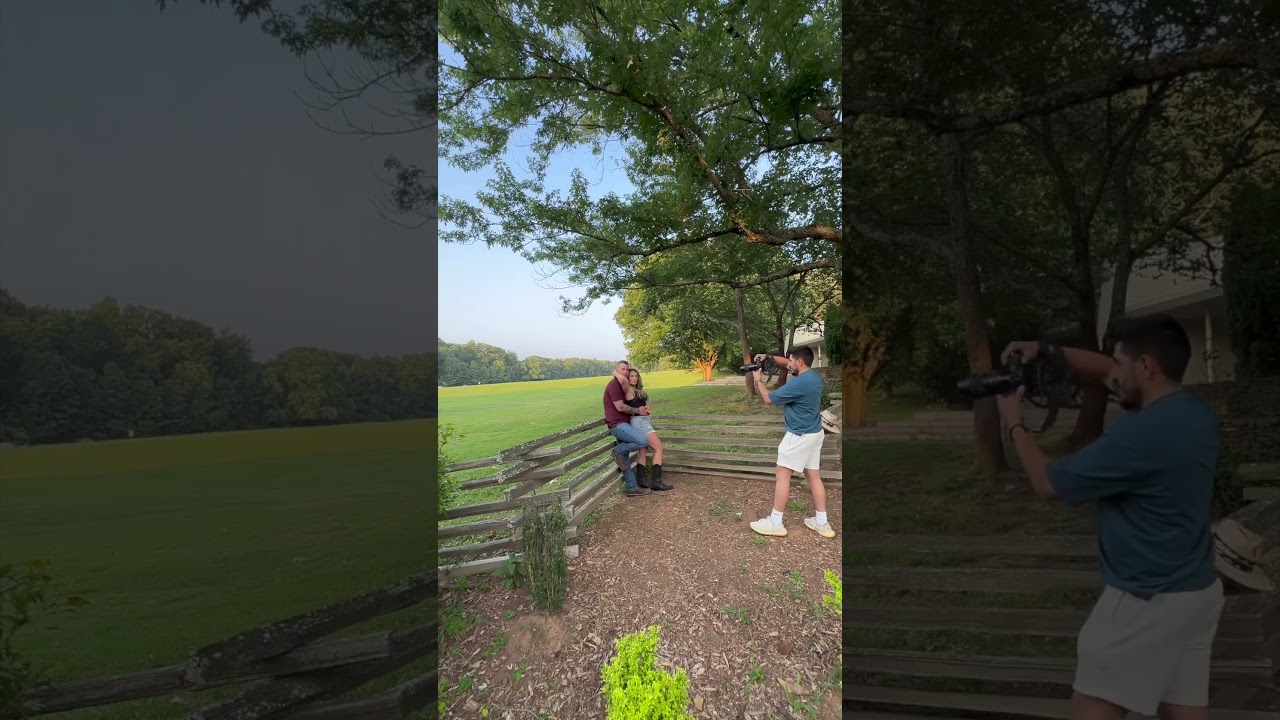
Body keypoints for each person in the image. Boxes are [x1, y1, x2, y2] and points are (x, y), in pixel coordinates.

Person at [995, 314, 1222, 720]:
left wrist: (1013, 421)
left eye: (1119, 363)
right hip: (1196, 594)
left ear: (1147, 366)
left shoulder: (1138, 436)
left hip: (1143, 599)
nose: (1110, 374)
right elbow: (1108, 373)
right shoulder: (1194, 412)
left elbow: (1047, 483)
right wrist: (1046, 350)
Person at [746, 346, 834, 539]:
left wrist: (758, 379)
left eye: (791, 361)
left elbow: (768, 399)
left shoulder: (798, 384)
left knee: (783, 476)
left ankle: (775, 523)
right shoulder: (814, 376)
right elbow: (788, 363)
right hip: (814, 433)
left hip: (798, 436)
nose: (789, 364)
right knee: (813, 476)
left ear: (799, 362)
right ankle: (822, 523)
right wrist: (768, 357)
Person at [603, 360, 651, 497]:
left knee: (624, 459)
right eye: (623, 369)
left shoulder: (621, 384)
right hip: (617, 424)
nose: (625, 372)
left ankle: (631, 487)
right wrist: (638, 410)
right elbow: (620, 407)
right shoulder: (613, 386)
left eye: (627, 370)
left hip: (625, 423)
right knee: (642, 441)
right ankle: (618, 450)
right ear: (617, 370)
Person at [625, 368, 672, 491]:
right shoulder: (628, 390)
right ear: (627, 378)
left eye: (636, 376)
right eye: (631, 376)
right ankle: (657, 481)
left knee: (643, 451)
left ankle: (641, 481)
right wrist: (615, 372)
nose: (634, 378)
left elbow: (642, 405)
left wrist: (647, 408)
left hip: (641, 421)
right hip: (640, 422)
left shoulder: (638, 390)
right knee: (659, 448)